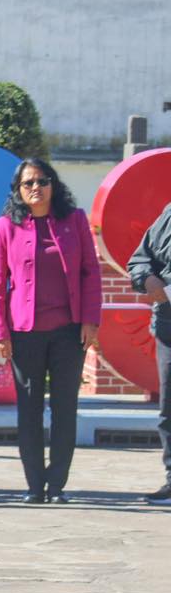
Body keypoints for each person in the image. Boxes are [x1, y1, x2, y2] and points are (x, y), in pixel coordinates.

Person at [0, 158, 102, 504]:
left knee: (65, 407)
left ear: (54, 184)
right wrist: (0, 332)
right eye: (28, 184)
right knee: (29, 408)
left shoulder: (75, 221)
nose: (36, 188)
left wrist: (90, 321)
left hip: (68, 331)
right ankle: (34, 485)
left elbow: (90, 273)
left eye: (42, 181)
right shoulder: (4, 227)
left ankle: (57, 484)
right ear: (18, 191)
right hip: (24, 332)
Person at [128, 204, 171, 504]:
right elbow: (140, 260)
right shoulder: (169, 215)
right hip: (169, 328)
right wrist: (147, 279)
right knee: (169, 411)